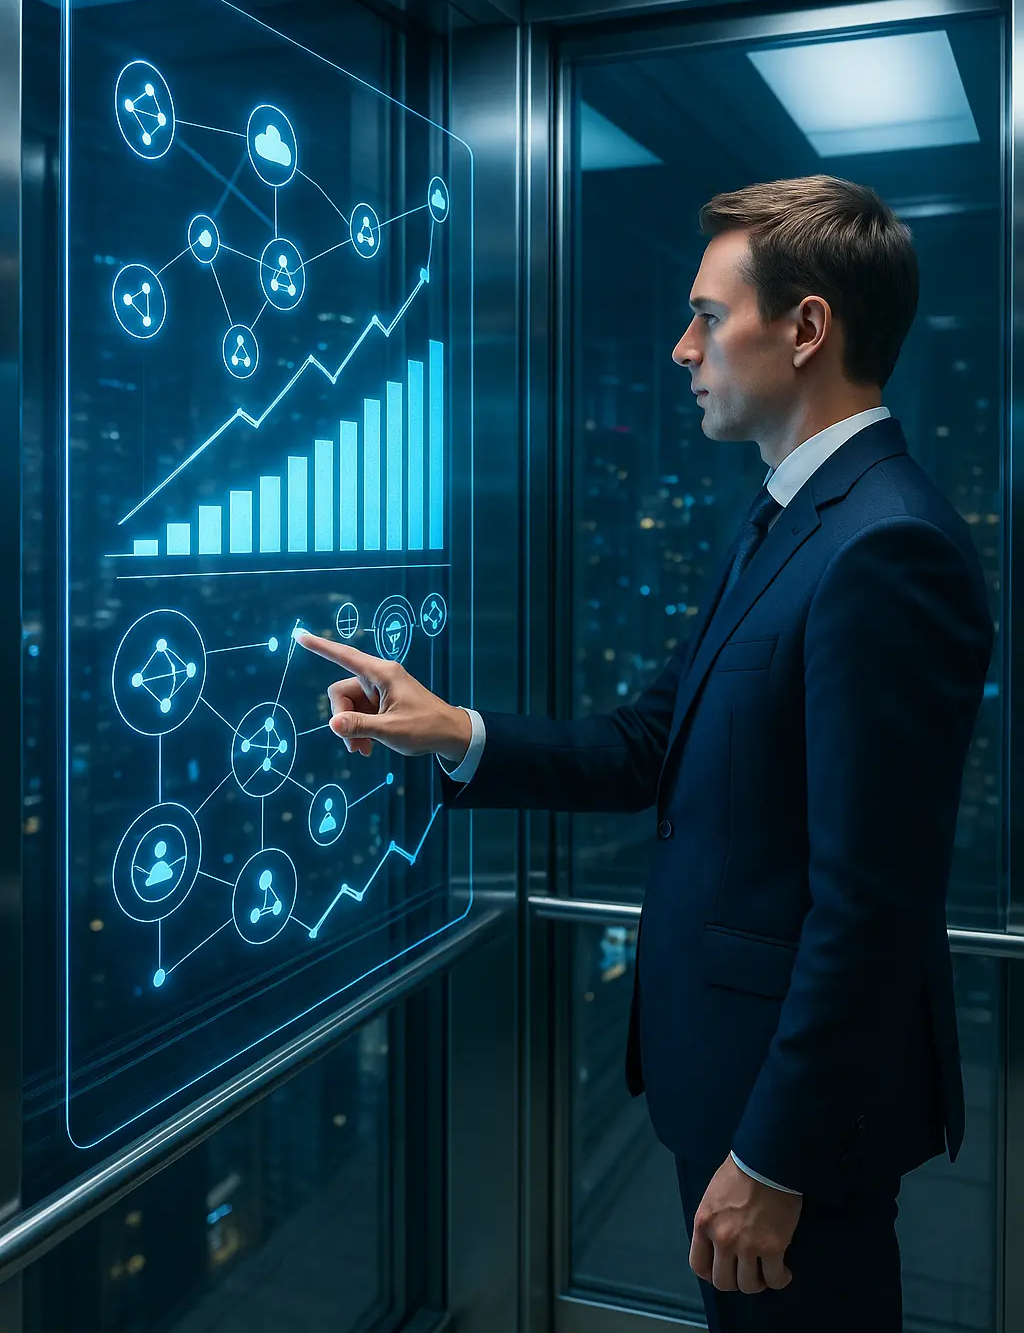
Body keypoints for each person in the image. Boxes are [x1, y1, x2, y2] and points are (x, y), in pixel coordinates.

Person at [296, 175, 994, 1332]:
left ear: (806, 327)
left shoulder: (886, 547)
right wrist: (452, 730)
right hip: (734, 1082)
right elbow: (648, 746)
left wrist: (774, 1158)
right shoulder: (791, 519)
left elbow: (871, 905)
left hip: (788, 1122)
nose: (683, 349)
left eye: (707, 317)